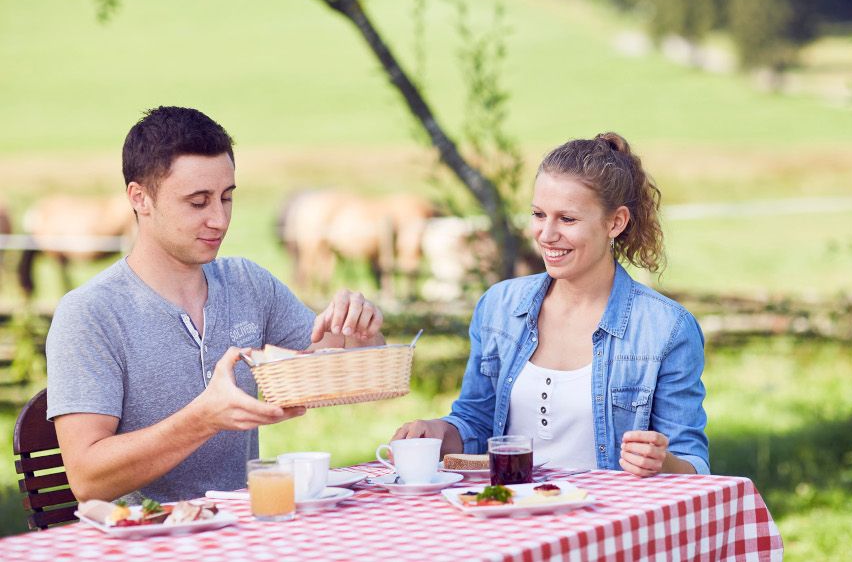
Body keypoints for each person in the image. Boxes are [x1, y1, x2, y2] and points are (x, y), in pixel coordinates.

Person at [46, 106, 386, 504]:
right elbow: (88, 480)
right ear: (140, 198)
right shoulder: (89, 314)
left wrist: (358, 334)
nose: (220, 220)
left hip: (246, 530)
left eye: (226, 198)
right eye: (198, 202)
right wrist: (202, 419)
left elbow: (327, 371)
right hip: (146, 542)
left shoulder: (247, 282)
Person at [392, 132, 709, 476]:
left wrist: (663, 463)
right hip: (511, 510)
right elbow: (475, 421)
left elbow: (693, 464)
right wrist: (439, 432)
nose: (546, 234)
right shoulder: (499, 306)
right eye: (539, 214)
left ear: (615, 222)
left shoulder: (665, 328)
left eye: (567, 219)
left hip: (606, 520)